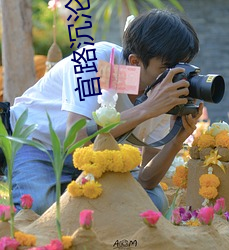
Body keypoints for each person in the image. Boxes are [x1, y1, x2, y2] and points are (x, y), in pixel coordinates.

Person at [6, 9, 202, 215]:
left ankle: (70, 199)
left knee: (152, 202)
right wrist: (147, 108)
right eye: (167, 68)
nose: (176, 76)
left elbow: (146, 180)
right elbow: (76, 139)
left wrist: (176, 140)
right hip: (37, 143)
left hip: (96, 157)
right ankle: (65, 197)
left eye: (182, 66)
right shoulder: (94, 60)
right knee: (39, 208)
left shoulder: (164, 89)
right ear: (135, 62)